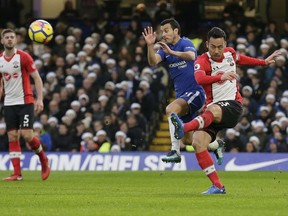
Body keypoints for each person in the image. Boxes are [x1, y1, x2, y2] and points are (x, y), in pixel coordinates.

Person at [170, 27, 279, 194]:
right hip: (212, 113)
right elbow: (199, 78)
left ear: (225, 44)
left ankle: (184, 127)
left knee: (211, 110)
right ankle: (218, 186)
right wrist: (220, 76)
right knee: (197, 143)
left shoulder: (230, 53)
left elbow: (241, 59)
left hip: (232, 106)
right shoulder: (202, 61)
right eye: (213, 46)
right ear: (207, 44)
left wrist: (263, 62)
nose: (216, 50)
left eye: (220, 46)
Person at [142, 18, 224, 163]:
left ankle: (175, 150)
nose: (164, 34)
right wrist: (149, 46)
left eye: (166, 30)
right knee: (188, 140)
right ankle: (216, 144)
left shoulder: (185, 42)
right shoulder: (164, 50)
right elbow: (153, 61)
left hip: (196, 92)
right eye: (162, 31)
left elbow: (192, 56)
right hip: (183, 96)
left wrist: (172, 52)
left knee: (170, 109)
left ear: (176, 31)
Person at [0, 28, 50, 181]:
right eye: (7, 37)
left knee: (27, 135)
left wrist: (39, 99)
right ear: (2, 41)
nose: (9, 39)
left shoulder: (24, 57)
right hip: (9, 103)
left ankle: (43, 160)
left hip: (25, 101)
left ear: (16, 40)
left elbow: (37, 78)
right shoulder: (0, 60)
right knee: (12, 136)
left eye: (12, 37)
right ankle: (17, 173)